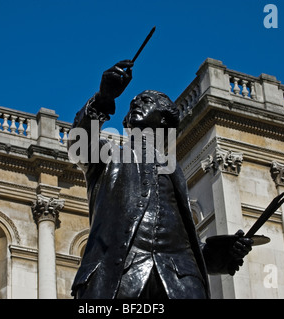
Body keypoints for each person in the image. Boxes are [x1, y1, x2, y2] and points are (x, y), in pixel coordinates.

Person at [68, 60, 253, 299]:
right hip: (118, 277)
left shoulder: (175, 171)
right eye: (133, 103)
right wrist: (103, 98)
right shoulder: (107, 155)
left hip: (180, 282)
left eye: (145, 101)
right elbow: (78, 146)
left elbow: (183, 241)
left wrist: (221, 254)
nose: (135, 104)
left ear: (165, 119)